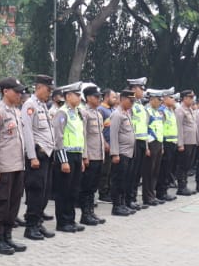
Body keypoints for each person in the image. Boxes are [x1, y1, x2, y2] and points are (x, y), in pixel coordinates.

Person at [0, 77, 30, 255]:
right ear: (5, 91)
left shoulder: (16, 112)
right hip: (3, 167)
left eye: (20, 91)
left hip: (17, 165)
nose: (20, 94)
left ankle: (8, 236)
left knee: (14, 203)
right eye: (16, 91)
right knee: (1, 204)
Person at [21, 74, 58, 240]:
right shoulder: (30, 105)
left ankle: (38, 222)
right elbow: (27, 132)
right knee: (36, 191)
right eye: (47, 89)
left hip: (47, 154)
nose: (49, 93)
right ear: (39, 87)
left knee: (45, 190)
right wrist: (32, 156)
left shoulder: (43, 105)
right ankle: (30, 227)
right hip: (37, 154)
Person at [51, 82, 87, 232]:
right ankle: (62, 222)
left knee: (74, 190)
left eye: (80, 95)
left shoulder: (78, 112)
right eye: (76, 95)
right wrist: (63, 160)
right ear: (68, 96)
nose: (79, 98)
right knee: (64, 190)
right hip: (66, 155)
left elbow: (81, 135)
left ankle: (71, 219)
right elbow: (58, 138)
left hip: (77, 154)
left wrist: (83, 157)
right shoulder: (62, 113)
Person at [79, 84, 107, 226]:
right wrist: (85, 156)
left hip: (99, 154)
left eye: (100, 96)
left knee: (93, 187)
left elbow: (99, 135)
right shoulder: (84, 113)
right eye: (97, 96)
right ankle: (85, 214)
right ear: (89, 98)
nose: (99, 99)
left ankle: (91, 212)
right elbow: (83, 135)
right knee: (87, 187)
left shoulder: (98, 113)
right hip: (90, 155)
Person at [107, 90, 137, 216]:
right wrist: (115, 154)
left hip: (129, 152)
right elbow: (113, 135)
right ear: (123, 99)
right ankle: (117, 206)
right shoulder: (117, 114)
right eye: (130, 101)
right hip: (121, 153)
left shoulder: (127, 113)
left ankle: (123, 203)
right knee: (118, 180)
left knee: (125, 180)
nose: (132, 103)